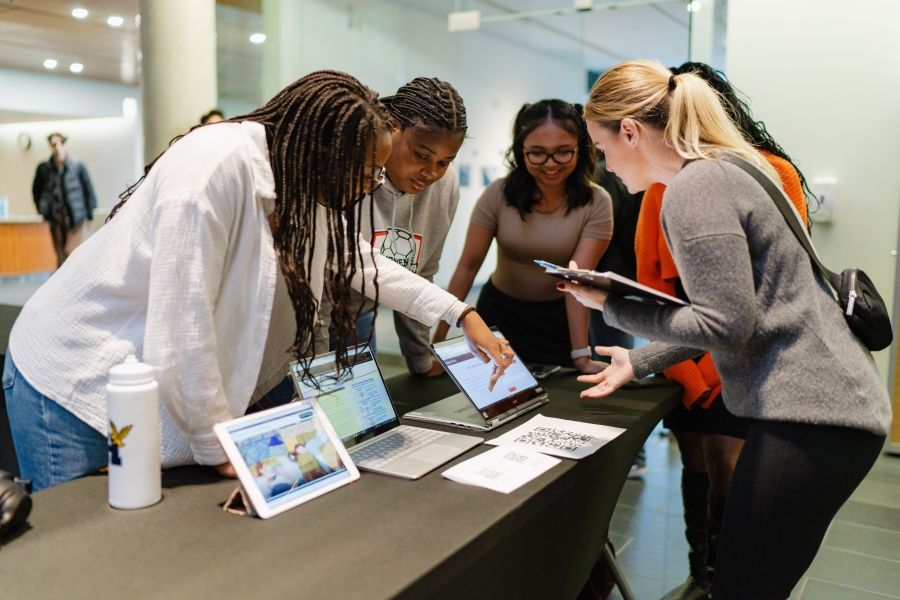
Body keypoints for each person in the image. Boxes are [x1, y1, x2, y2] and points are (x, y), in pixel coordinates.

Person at [3, 70, 512, 492]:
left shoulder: (300, 179)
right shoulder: (209, 172)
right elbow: (182, 329)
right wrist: (216, 445)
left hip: (153, 382)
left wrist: (459, 313)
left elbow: (358, 260)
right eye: (364, 174)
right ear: (322, 152)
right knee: (84, 544)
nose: (369, 188)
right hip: (75, 377)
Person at [562, 59, 890, 599]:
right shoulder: (728, 168)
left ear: (631, 132)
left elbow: (725, 324)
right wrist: (638, 360)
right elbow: (738, 310)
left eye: (602, 148)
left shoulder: (696, 187)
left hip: (812, 414)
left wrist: (611, 305)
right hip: (829, 408)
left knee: (742, 586)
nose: (606, 166)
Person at [632, 62, 815, 600]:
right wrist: (688, 373)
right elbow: (651, 285)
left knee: (730, 469)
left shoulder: (771, 172)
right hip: (683, 352)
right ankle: (703, 574)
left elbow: (779, 284)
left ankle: (728, 579)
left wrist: (710, 369)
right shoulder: (660, 183)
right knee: (697, 463)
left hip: (746, 355)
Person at [434, 99, 613, 373]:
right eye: (537, 153)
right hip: (499, 315)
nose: (550, 164)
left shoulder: (596, 202)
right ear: (521, 151)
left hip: (558, 321)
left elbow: (576, 280)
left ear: (580, 149)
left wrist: (581, 355)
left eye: (563, 152)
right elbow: (468, 266)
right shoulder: (498, 194)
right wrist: (438, 342)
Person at [320, 77, 467, 377]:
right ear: (393, 129)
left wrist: (420, 359)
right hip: (312, 314)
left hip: (360, 316)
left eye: (444, 162)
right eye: (421, 156)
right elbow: (325, 275)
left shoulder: (445, 184)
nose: (431, 173)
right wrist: (316, 369)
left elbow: (420, 276)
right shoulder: (351, 170)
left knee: (362, 400)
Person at [31, 132, 97, 267]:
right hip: (55, 220)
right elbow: (36, 191)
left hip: (75, 218)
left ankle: (74, 279)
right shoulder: (44, 169)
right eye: (54, 144)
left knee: (71, 254)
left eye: (60, 143)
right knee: (60, 256)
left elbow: (89, 190)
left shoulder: (77, 166)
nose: (57, 147)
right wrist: (41, 209)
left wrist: (90, 216)